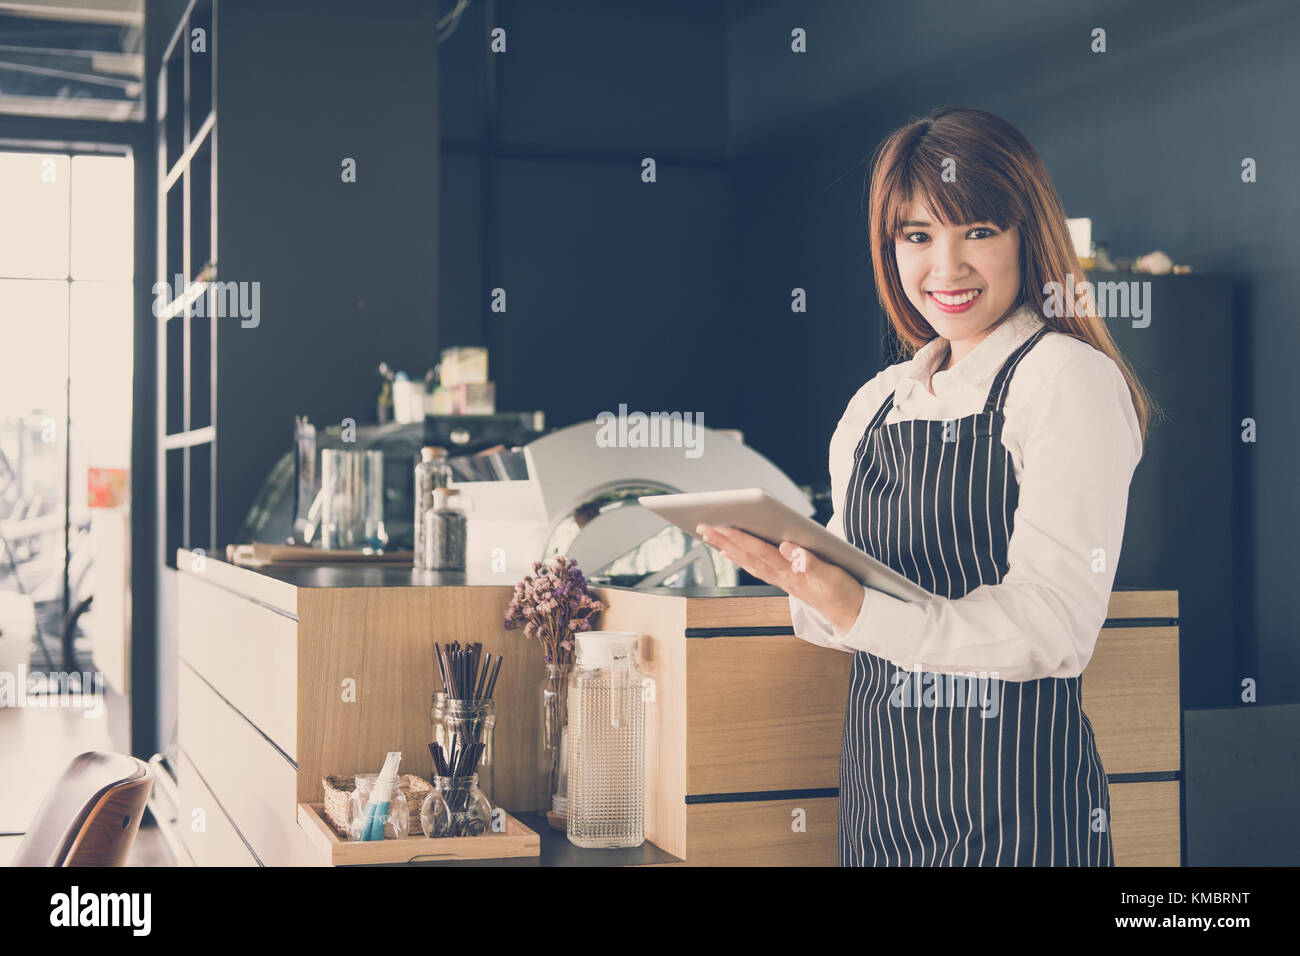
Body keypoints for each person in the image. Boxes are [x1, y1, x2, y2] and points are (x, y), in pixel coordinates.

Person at [697, 106, 1156, 866]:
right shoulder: (876, 402)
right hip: (881, 799)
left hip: (1017, 808)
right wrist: (806, 584)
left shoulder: (1066, 381)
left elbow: (1057, 629)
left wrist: (858, 610)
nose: (946, 269)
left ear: (1027, 235)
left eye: (978, 230)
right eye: (917, 236)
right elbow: (835, 624)